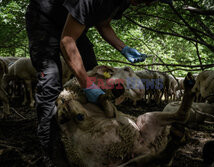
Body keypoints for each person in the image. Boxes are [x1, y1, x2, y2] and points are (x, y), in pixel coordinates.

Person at [25, 0, 169, 166]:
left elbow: (104, 24)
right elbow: (67, 41)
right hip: (44, 19)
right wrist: (86, 84)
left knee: (93, 71)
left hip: (71, 25)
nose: (151, 3)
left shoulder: (122, 2)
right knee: (50, 83)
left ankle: (93, 134)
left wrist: (123, 48)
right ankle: (51, 153)